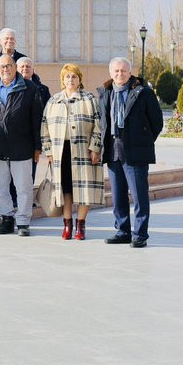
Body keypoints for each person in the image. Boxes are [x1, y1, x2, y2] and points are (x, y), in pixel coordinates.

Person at [98, 57, 162, 248]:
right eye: (116, 71)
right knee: (118, 195)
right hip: (113, 148)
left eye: (123, 71)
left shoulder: (143, 92)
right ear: (111, 73)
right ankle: (122, 231)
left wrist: (143, 140)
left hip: (135, 149)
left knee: (139, 194)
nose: (120, 74)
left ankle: (140, 234)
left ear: (130, 72)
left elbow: (157, 122)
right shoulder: (105, 92)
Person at [40, 64, 104, 241]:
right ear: (63, 79)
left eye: (74, 76)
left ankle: (80, 225)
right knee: (66, 190)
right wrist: (49, 151)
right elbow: (44, 128)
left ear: (79, 79)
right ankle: (67, 224)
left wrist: (95, 148)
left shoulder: (89, 99)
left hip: (84, 151)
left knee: (85, 189)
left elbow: (99, 126)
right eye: (67, 76)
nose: (70, 80)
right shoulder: (54, 101)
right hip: (61, 151)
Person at [0, 54, 43, 237]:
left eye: (9, 65)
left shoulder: (29, 88)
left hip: (22, 146)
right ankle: (6, 219)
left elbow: (37, 119)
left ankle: (23, 221)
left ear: (15, 67)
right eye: (2, 67)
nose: (5, 69)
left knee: (23, 187)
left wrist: (37, 147)